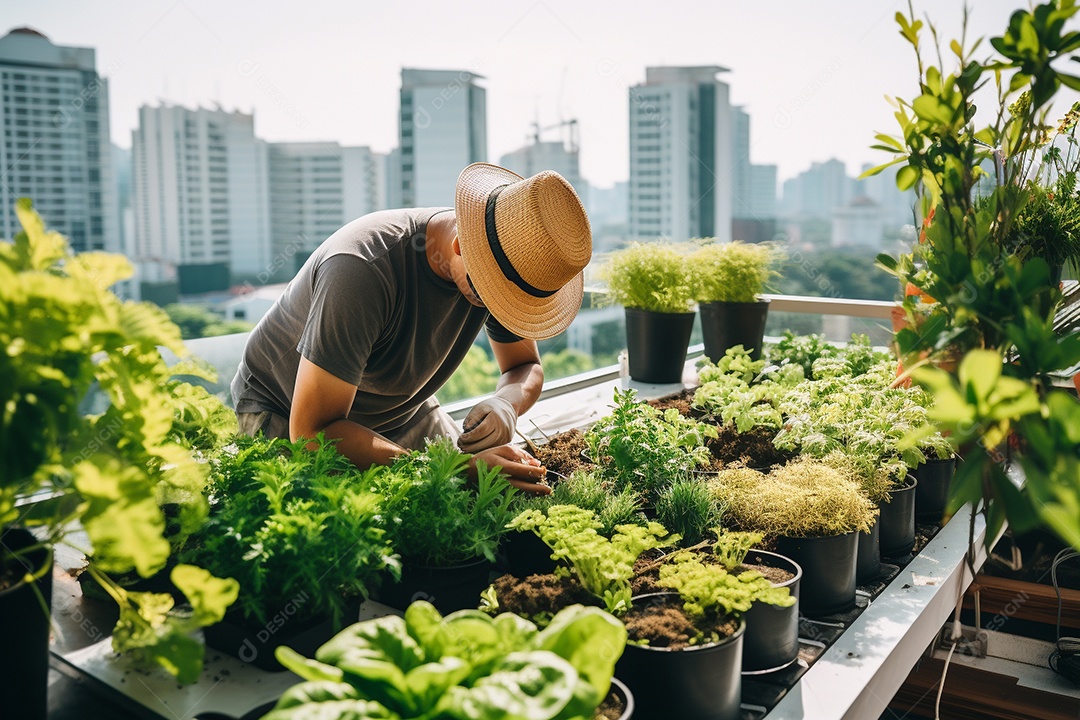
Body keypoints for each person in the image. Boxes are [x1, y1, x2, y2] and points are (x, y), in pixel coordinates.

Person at [230, 162, 592, 494]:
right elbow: (312, 433)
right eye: (493, 297)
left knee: (486, 500)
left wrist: (506, 404)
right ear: (460, 245)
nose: (499, 310)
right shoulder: (361, 270)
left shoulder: (500, 260)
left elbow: (523, 367)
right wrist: (451, 467)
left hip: (401, 406)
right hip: (286, 414)